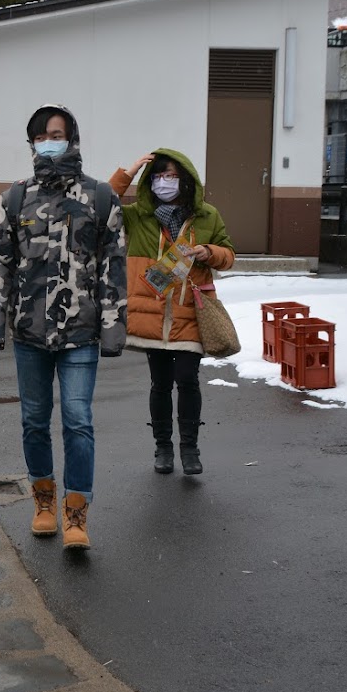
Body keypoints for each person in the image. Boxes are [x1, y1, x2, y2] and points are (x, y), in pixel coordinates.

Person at [0, 104, 127, 551]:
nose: (49, 140)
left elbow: (113, 266)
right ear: (33, 143)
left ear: (72, 138)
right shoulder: (15, 198)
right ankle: (43, 502)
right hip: (30, 332)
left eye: (57, 133)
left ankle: (76, 512)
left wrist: (112, 327)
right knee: (33, 421)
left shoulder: (100, 197)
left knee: (79, 421)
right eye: (42, 135)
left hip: (80, 334)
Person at [111, 150, 235, 476]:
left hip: (190, 311)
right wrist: (130, 172)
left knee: (187, 379)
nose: (164, 182)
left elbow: (228, 255)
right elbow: (98, 209)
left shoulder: (207, 216)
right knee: (161, 383)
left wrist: (208, 252)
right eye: (158, 176)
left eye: (171, 175)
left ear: (186, 179)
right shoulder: (138, 215)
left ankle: (190, 448)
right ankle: (163, 447)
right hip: (151, 312)